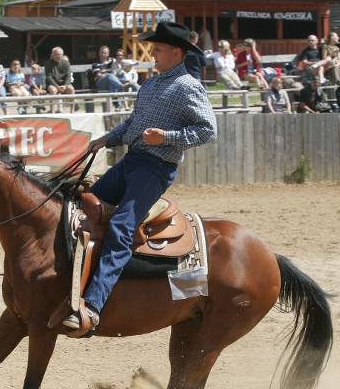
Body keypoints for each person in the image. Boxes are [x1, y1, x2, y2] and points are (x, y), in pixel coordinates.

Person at [63, 22, 217, 334]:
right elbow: (133, 124)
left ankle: (93, 303)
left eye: (158, 49)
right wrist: (106, 139)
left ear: (176, 52)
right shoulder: (150, 85)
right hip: (132, 161)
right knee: (80, 201)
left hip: (155, 168)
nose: (153, 54)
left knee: (121, 226)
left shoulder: (189, 86)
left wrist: (167, 137)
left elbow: (207, 130)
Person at [45, 47, 75, 113]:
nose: (58, 56)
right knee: (52, 90)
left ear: (62, 55)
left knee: (71, 89)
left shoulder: (66, 63)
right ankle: (52, 112)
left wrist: (65, 85)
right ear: (52, 55)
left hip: (64, 84)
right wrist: (56, 86)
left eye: (59, 54)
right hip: (53, 84)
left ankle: (72, 111)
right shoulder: (48, 63)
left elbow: (68, 76)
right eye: (56, 54)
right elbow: (49, 77)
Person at [92, 46, 122, 110]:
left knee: (112, 84)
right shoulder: (95, 63)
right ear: (99, 53)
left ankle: (118, 105)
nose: (103, 54)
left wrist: (104, 71)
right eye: (102, 53)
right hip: (100, 83)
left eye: (105, 53)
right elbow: (98, 75)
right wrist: (107, 72)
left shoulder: (112, 60)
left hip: (111, 82)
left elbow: (120, 63)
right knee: (109, 76)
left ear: (108, 54)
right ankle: (121, 86)